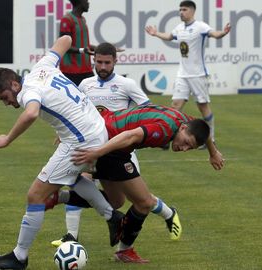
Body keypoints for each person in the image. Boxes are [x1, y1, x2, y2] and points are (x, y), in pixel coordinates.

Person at [0, 35, 124, 270]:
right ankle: (113, 217)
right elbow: (66, 39)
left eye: (5, 98)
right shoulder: (42, 66)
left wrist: (7, 138)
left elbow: (30, 114)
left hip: (82, 140)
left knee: (35, 195)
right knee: (74, 178)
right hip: (96, 128)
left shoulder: (28, 91)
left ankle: (19, 257)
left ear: (14, 85)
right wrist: (80, 48)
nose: (7, 103)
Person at [47, 104, 225, 263]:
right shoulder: (164, 130)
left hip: (102, 132)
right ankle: (124, 251)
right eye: (185, 142)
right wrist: (97, 153)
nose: (183, 148)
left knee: (115, 201)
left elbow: (204, 131)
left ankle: (59, 196)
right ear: (183, 128)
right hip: (111, 144)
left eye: (190, 148)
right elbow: (130, 135)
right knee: (144, 202)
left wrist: (213, 152)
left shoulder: (185, 122)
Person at [51, 43, 181, 249]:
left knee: (130, 199)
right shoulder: (85, 84)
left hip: (121, 148)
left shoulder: (126, 84)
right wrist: (65, 134)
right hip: (92, 143)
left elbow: (147, 109)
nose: (102, 66)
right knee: (81, 181)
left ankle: (167, 212)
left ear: (115, 62)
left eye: (107, 63)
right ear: (94, 61)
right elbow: (77, 111)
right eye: (99, 62)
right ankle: (71, 236)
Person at [145, 0, 231, 147]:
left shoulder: (200, 26)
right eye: (180, 10)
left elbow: (214, 34)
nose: (181, 12)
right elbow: (170, 36)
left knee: (203, 107)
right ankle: (167, 138)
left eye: (184, 9)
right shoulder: (179, 28)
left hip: (197, 74)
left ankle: (211, 139)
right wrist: (156, 33)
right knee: (175, 106)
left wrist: (222, 32)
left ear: (192, 11)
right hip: (182, 74)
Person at [59, 0, 95, 86]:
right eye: (86, 1)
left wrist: (105, 48)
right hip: (71, 72)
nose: (88, 3)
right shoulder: (67, 19)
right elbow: (64, 45)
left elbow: (84, 45)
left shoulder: (82, 19)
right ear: (80, 2)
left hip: (86, 69)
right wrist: (82, 50)